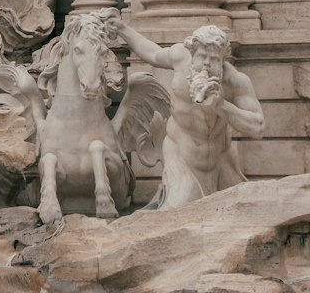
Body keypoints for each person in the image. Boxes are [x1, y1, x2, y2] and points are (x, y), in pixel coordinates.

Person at [111, 19, 264, 207]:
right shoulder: (179, 57)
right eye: (202, 57)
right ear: (192, 53)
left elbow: (258, 127)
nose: (207, 64)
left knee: (238, 214)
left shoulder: (235, 81)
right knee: (179, 211)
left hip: (220, 161)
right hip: (180, 158)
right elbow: (151, 52)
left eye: (214, 59)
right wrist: (122, 28)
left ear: (223, 60)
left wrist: (221, 106)